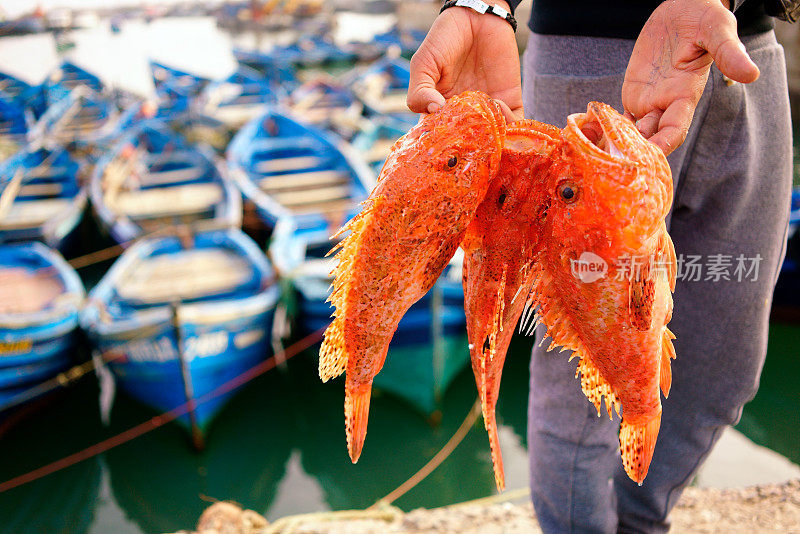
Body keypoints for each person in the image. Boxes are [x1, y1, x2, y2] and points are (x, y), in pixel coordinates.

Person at [407, 0, 793, 532]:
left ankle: (640, 520)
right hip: (596, 43)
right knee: (578, 397)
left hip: (747, 34)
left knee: (728, 356)